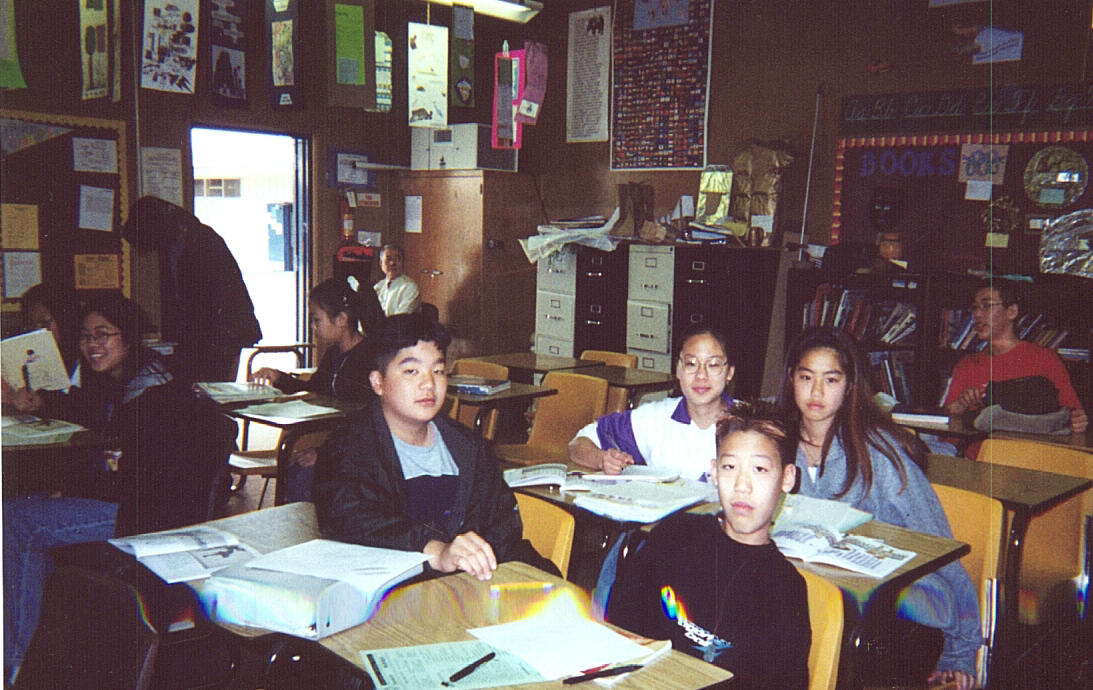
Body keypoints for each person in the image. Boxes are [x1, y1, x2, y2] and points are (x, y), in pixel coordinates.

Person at [3, 294, 235, 682]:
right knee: (17, 510)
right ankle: (36, 638)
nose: (92, 345)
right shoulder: (124, 379)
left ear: (127, 337)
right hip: (131, 498)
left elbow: (136, 480)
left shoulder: (155, 393)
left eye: (103, 334)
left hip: (147, 514)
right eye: (85, 336)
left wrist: (73, 487)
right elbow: (88, 415)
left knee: (19, 522)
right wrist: (38, 403)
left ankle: (15, 664)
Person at [778, 326, 980, 689]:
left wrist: (961, 651)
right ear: (791, 378)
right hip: (821, 597)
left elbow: (940, 548)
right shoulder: (775, 444)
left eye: (831, 379)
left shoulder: (880, 453)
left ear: (850, 386)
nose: (817, 392)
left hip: (896, 606)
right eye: (806, 377)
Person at [311, 313, 555, 581]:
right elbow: (348, 520)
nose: (429, 384)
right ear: (378, 382)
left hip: (466, 590)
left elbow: (502, 531)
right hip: (388, 593)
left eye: (438, 371)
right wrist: (434, 549)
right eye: (411, 371)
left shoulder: (470, 450)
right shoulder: (347, 447)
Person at [606, 402, 810, 690]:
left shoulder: (784, 588)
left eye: (760, 469)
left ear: (787, 478)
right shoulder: (673, 536)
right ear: (714, 472)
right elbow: (620, 627)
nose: (742, 485)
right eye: (730, 467)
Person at [249, 277, 379, 501]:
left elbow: (369, 422)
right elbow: (314, 389)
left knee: (302, 478)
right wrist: (279, 377)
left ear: (341, 319)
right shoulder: (334, 354)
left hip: (354, 452)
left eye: (316, 319)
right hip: (329, 442)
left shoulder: (370, 358)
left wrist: (324, 454)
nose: (313, 326)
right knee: (294, 469)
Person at [121, 195, 262, 384]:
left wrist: (177, 337)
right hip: (206, 335)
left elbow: (206, 303)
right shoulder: (175, 241)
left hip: (221, 335)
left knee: (206, 390)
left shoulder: (201, 242)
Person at [568, 323, 735, 481]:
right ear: (678, 369)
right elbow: (579, 443)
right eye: (691, 364)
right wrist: (602, 459)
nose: (701, 375)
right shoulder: (655, 418)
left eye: (713, 365)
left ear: (729, 372)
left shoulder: (745, 423)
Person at [945, 280, 1087, 435]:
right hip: (974, 448)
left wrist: (1078, 421)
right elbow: (946, 419)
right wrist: (960, 405)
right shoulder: (967, 364)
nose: (977, 314)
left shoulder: (1044, 359)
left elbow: (1072, 415)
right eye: (974, 307)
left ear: (1011, 312)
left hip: (1025, 448)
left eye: (987, 306)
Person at [2, 283, 81, 416]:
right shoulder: (27, 355)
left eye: (45, 324)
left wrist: (43, 401)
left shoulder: (85, 356)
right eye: (31, 325)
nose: (38, 331)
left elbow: (84, 408)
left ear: (65, 319)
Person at [373, 244, 421, 316]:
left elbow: (401, 318)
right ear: (381, 263)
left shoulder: (409, 287)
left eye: (397, 259)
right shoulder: (378, 286)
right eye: (389, 259)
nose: (392, 263)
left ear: (403, 263)